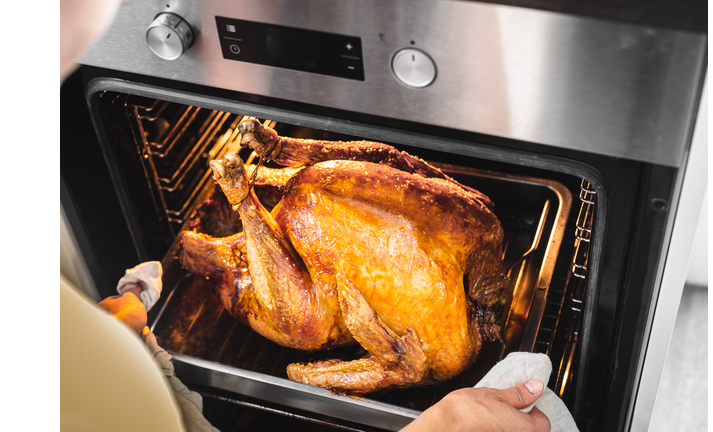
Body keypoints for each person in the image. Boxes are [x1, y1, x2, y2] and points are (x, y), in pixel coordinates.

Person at [60, 1, 552, 430]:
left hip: (341, 236)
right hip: (346, 235)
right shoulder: (451, 347)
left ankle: (248, 200)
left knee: (313, 326)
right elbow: (392, 162)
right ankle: (247, 200)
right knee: (320, 327)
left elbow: (392, 162)